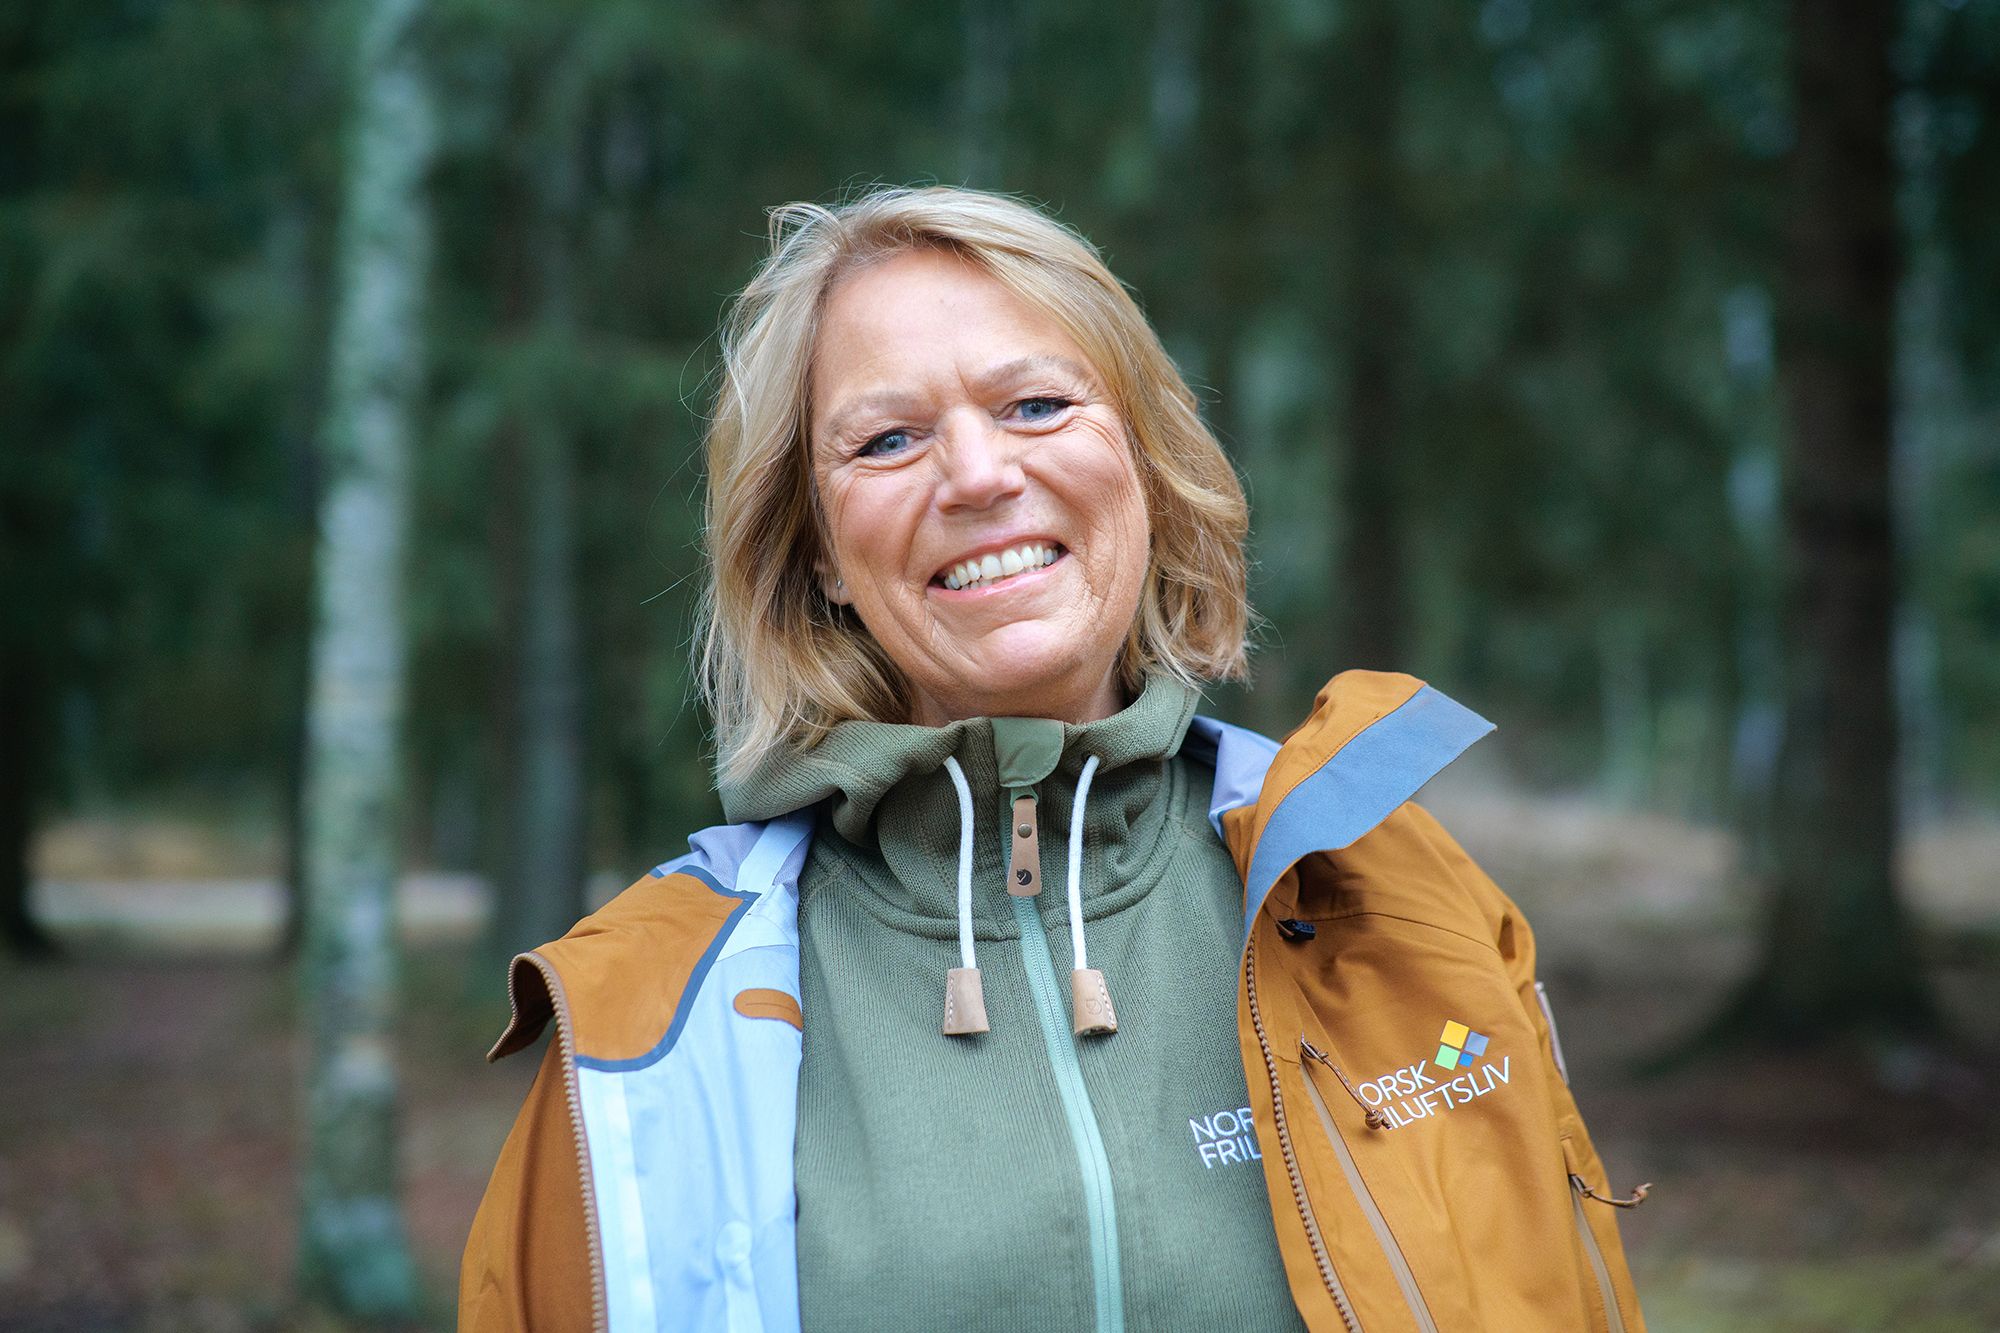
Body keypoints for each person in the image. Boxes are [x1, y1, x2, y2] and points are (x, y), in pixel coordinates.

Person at [458, 186, 1649, 1332]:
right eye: (887, 438)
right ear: (815, 550)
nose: (979, 475)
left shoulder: (1379, 890)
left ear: (1140, 458)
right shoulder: (644, 1028)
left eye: (1034, 405)